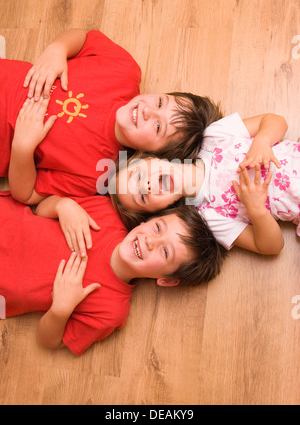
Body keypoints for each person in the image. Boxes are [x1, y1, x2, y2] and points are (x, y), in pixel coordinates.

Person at [0, 29, 222, 204]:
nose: (148, 111)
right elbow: (84, 38)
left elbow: (26, 195)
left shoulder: (96, 173)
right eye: (161, 102)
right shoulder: (123, 70)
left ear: (152, 155)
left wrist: (22, 147)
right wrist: (57, 49)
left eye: (157, 127)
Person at [0, 194, 225, 355]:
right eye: (158, 228)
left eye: (165, 251)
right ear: (149, 220)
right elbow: (40, 209)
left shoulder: (111, 312)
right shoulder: (105, 211)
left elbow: (48, 341)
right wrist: (63, 205)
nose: (150, 240)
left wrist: (60, 310)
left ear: (166, 280)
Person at [105, 111, 297, 255]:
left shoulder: (213, 137)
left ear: (153, 158)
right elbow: (271, 247)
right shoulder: (209, 218)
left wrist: (262, 141)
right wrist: (257, 210)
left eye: (138, 176)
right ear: (161, 210)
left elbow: (275, 121)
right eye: (142, 197)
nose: (146, 186)